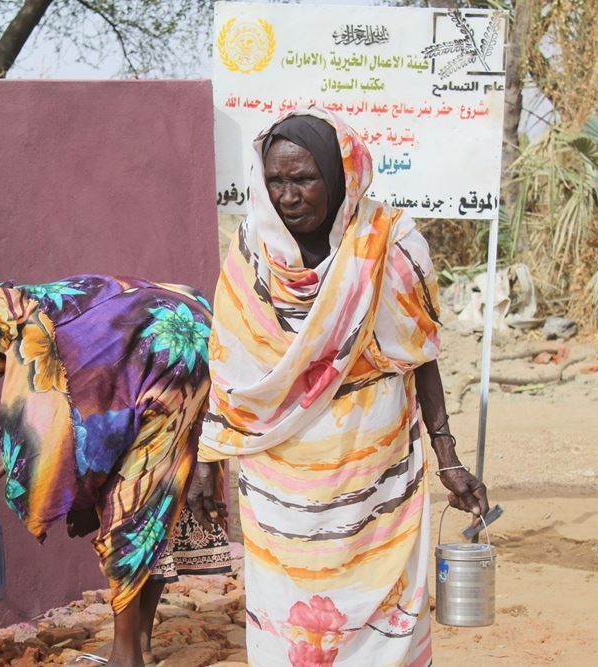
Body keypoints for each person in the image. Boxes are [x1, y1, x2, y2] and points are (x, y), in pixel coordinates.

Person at [188, 107, 490, 666]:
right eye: (276, 180)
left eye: (304, 178)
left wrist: (447, 457)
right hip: (279, 477)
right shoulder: (252, 247)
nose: (288, 196)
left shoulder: (388, 242)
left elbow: (419, 357)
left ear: (339, 173)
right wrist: (210, 458)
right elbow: (229, 362)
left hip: (373, 469)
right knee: (287, 609)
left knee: (379, 606)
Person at [0, 275, 231, 667]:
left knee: (130, 510)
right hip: (184, 336)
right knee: (155, 503)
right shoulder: (36, 312)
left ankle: (126, 656)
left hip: (171, 360)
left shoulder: (51, 339)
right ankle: (139, 642)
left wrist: (77, 493)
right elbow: (54, 424)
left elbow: (80, 431)